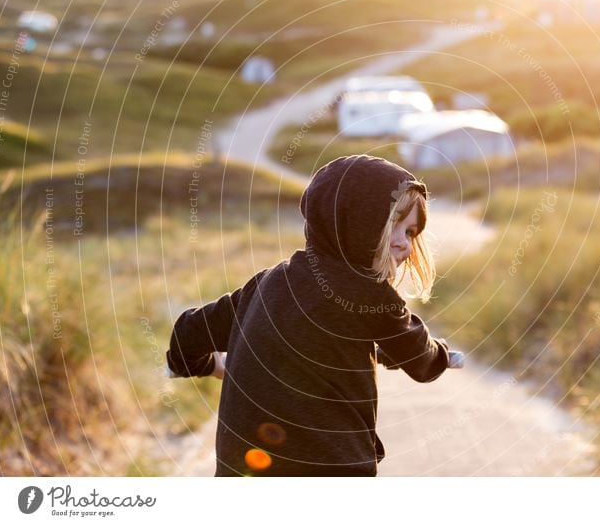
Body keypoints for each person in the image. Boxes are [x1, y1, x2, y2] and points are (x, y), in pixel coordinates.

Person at [166, 154, 453, 476]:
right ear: (354, 222)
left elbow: (187, 334)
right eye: (393, 225)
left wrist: (208, 364)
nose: (405, 245)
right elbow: (423, 363)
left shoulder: (267, 283)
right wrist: (442, 353)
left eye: (411, 232)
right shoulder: (373, 297)